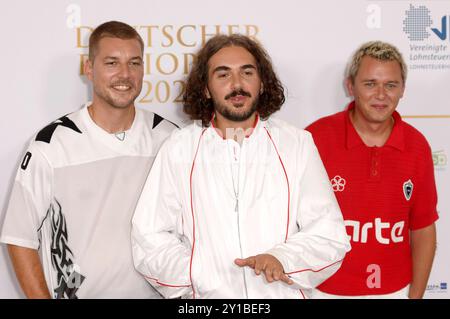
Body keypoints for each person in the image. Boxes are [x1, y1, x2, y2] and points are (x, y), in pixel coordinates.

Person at [131, 34, 351, 299]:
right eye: (223, 75)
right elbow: (149, 234)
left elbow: (329, 234)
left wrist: (283, 259)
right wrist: (197, 275)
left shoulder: (296, 144)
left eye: (247, 72)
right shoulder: (179, 148)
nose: (237, 84)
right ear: (205, 88)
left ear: (261, 83)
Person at [0, 21, 177, 298]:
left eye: (134, 63)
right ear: (89, 69)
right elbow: (19, 238)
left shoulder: (170, 138)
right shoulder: (50, 145)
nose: (125, 74)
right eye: (111, 63)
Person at [306, 41, 438, 299]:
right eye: (370, 84)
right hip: (324, 290)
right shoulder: (315, 138)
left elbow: (423, 228)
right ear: (350, 86)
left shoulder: (417, 145)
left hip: (396, 290)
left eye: (391, 85)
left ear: (402, 90)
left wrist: (416, 296)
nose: (381, 94)